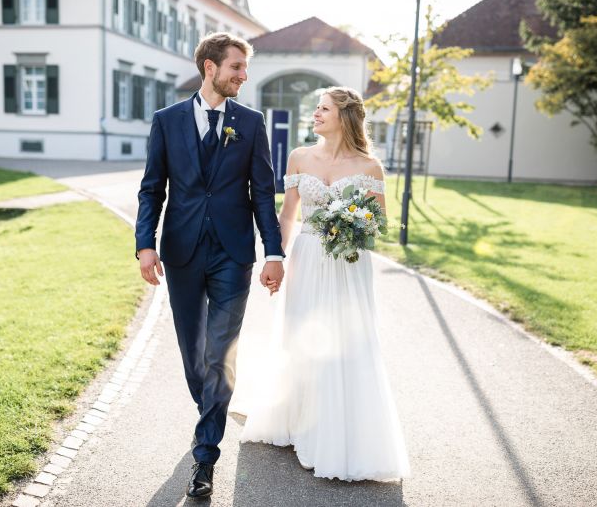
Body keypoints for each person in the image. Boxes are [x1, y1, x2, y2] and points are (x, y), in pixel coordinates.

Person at [135, 32, 285, 499]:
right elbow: (151, 188)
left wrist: (273, 252)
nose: (244, 75)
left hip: (232, 254)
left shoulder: (251, 122)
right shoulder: (167, 121)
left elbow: (263, 192)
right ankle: (211, 411)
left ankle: (205, 457)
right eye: (237, 67)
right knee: (194, 356)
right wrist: (145, 244)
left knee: (221, 353)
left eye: (245, 68)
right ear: (210, 68)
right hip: (180, 250)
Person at [236, 86, 411, 482]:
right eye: (315, 109)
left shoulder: (369, 168)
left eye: (324, 109)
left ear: (344, 117)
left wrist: (352, 226)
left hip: (348, 263)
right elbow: (287, 216)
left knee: (348, 341)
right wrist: (274, 257)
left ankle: (341, 433)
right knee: (302, 337)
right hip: (309, 258)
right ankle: (301, 422)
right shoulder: (300, 157)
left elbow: (377, 223)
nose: (315, 114)